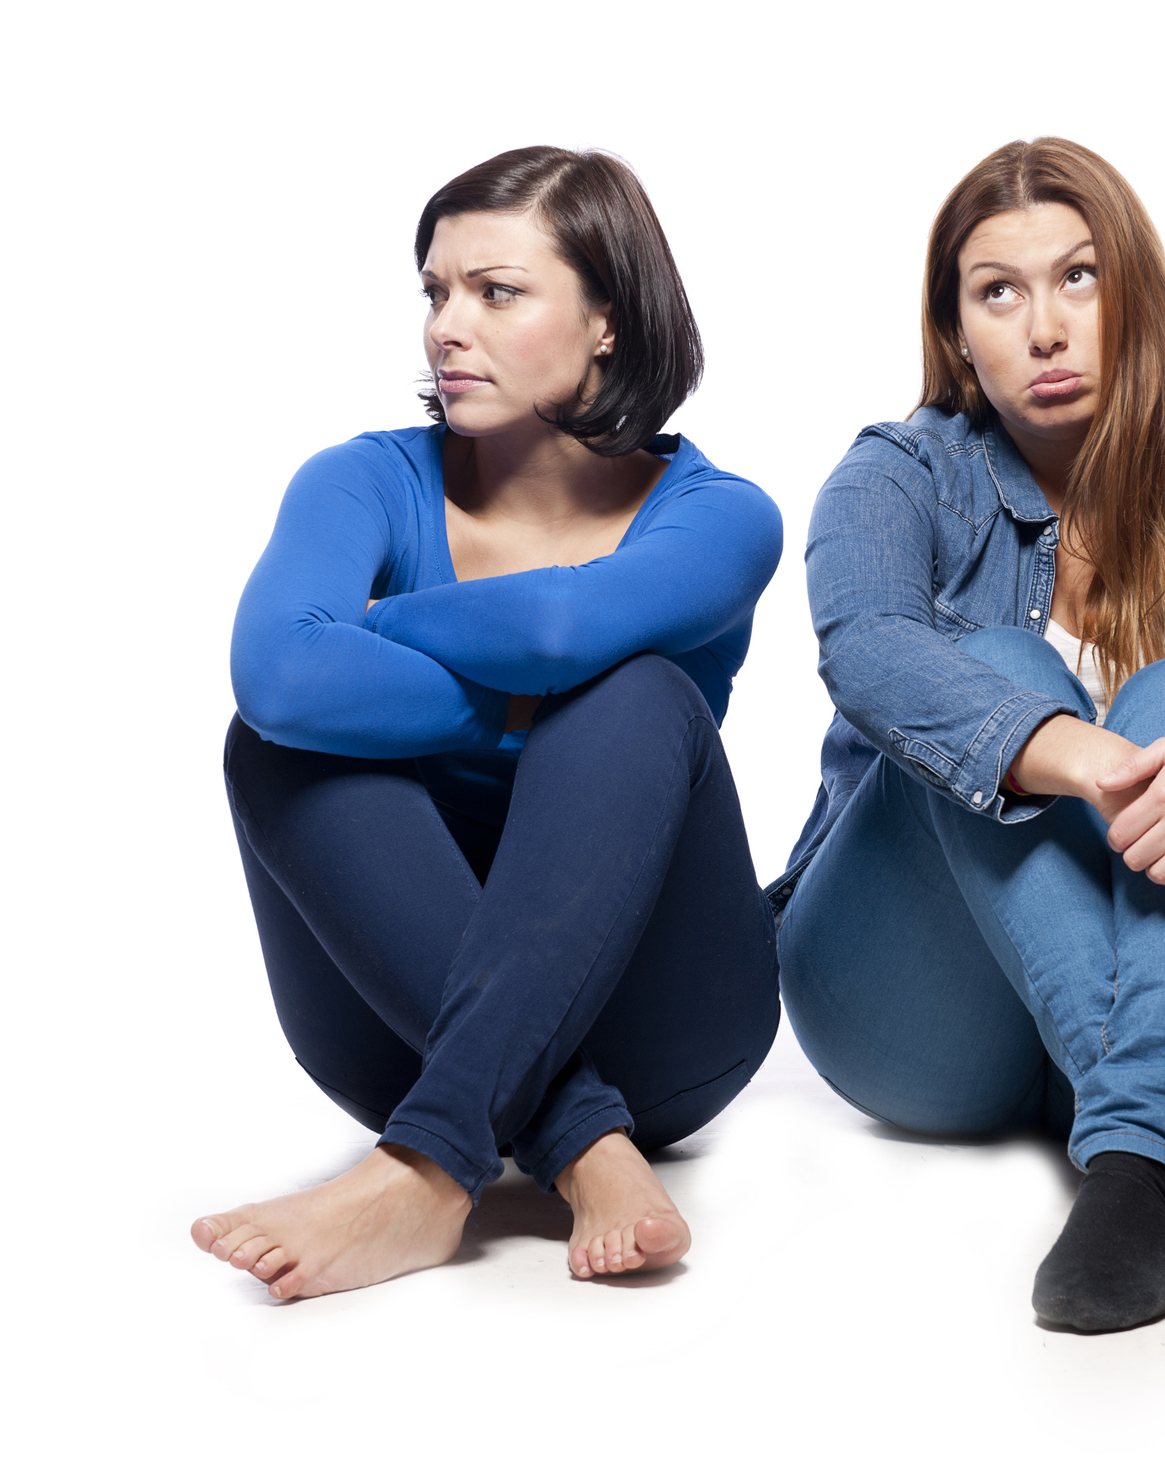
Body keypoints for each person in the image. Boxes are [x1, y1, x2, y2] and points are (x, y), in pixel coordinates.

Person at [771, 138, 1165, 1332]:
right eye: (999, 291)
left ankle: (1131, 1165)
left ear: (1135, 293)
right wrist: (1100, 767)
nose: (1044, 327)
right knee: (991, 668)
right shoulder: (897, 479)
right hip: (917, 1015)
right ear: (958, 334)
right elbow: (871, 651)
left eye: (1079, 278)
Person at [194, 147, 783, 1299]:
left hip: (666, 1031)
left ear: (608, 321)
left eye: (495, 291)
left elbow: (567, 631)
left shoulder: (720, 516)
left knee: (634, 691)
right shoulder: (358, 480)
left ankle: (433, 1160)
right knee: (269, 742)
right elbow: (276, 674)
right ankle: (566, 1141)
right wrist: (517, 698)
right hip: (399, 1033)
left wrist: (375, 628)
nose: (445, 328)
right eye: (435, 291)